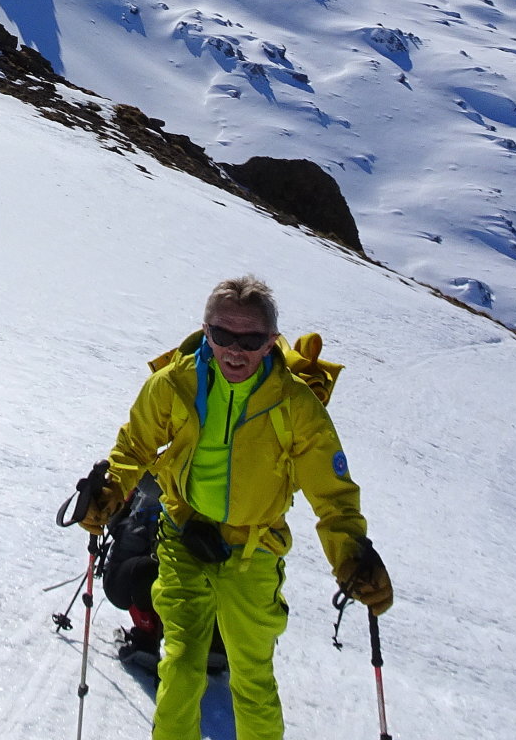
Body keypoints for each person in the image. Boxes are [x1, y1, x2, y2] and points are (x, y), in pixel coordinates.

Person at [75, 275, 391, 740]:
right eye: (223, 335)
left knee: (253, 678)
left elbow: (333, 494)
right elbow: (134, 446)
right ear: (206, 331)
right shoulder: (173, 385)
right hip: (182, 535)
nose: (235, 351)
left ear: (271, 342)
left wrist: (350, 555)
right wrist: (111, 489)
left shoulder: (296, 406)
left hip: (254, 551)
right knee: (181, 665)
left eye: (251, 340)